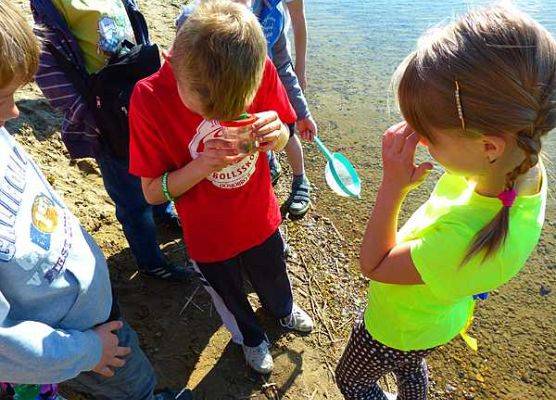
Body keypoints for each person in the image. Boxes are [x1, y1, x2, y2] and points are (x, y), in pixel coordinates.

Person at [335, 5, 555, 400]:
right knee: (411, 366)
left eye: (427, 137)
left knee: (353, 380)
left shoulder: (462, 243)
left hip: (395, 328)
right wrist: (438, 128)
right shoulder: (524, 166)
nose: (419, 142)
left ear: (489, 146)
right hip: (438, 322)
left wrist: (393, 187)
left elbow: (374, 265)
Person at [0, 2, 192, 399]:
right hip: (73, 334)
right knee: (126, 374)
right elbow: (7, 346)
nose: (16, 111)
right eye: (3, 97)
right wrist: (87, 351)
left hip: (85, 305)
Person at [129, 0, 313, 374]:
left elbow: (284, 134)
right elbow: (151, 192)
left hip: (260, 216)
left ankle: (282, 309)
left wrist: (277, 131)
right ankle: (250, 337)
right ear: (172, 59)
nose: (224, 120)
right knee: (228, 293)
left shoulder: (254, 67)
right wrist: (202, 165)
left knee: (273, 268)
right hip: (208, 236)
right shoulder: (148, 98)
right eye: (208, 111)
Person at [30, 0, 190, 281]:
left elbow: (134, 22)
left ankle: (162, 210)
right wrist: (89, 117)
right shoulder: (49, 7)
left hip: (138, 93)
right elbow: (49, 66)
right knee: (130, 195)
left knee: (156, 163)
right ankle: (150, 261)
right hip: (106, 114)